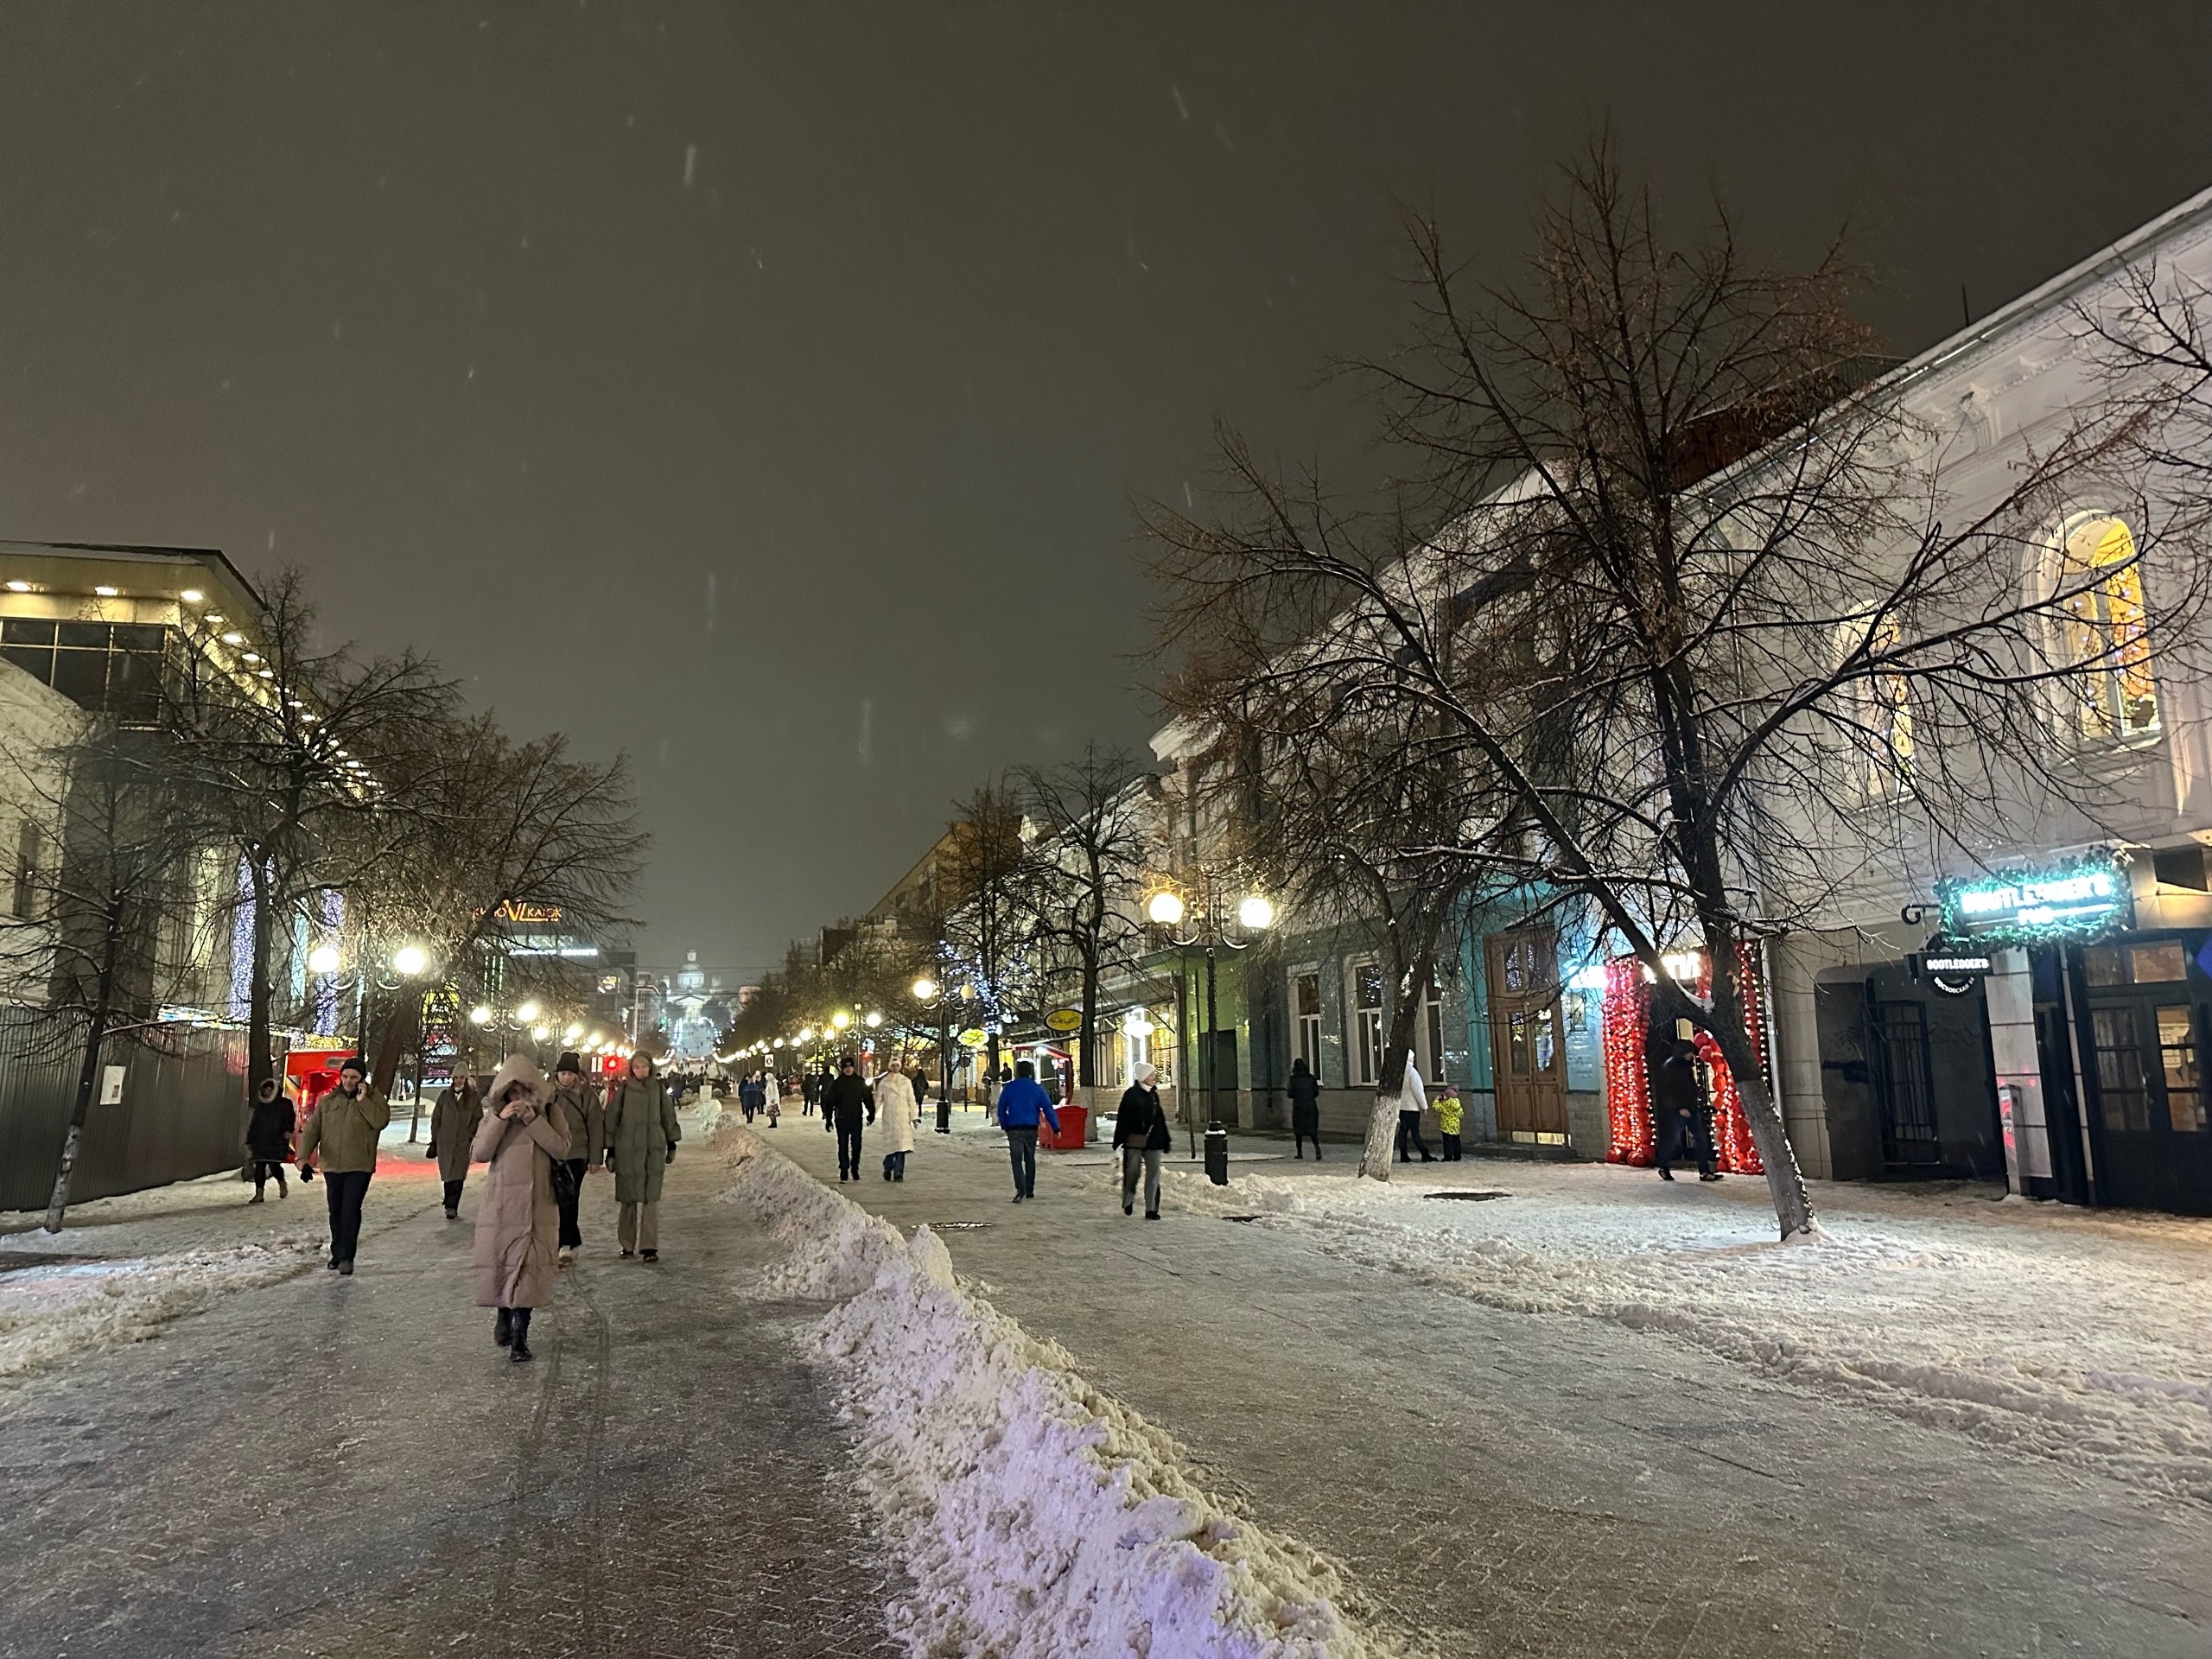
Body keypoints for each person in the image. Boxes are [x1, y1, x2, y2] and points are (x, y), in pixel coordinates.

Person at [470, 1054, 569, 1363]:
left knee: (529, 1267)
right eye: (512, 1093)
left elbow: (562, 1148)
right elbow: (480, 1153)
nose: (518, 1099)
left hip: (539, 1203)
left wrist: (532, 1120)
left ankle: (520, 1336)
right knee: (503, 1262)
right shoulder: (494, 1116)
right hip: (502, 1205)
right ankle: (503, 1313)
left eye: (524, 1092)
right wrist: (501, 1120)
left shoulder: (551, 1112)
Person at [296, 1055, 391, 1275]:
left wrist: (363, 1101)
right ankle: (337, 1253)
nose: (348, 1081)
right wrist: (302, 1159)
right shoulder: (328, 1102)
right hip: (332, 1165)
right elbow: (313, 1130)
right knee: (335, 1211)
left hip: (359, 1165)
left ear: (361, 1079)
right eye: (345, 1076)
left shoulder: (374, 1099)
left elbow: (380, 1122)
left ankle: (347, 1256)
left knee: (350, 1211)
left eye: (354, 1077)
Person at [605, 1052, 682, 1260]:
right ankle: (627, 1244)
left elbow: (668, 1116)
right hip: (627, 1149)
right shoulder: (624, 1090)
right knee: (628, 1199)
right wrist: (610, 1150)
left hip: (652, 1150)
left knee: (651, 1200)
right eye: (637, 1067)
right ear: (631, 1069)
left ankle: (649, 1247)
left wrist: (671, 1143)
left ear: (651, 1068)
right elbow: (612, 1118)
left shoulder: (658, 1089)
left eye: (644, 1066)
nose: (641, 1071)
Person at [547, 1053, 604, 1263]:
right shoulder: (548, 1094)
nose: (565, 1078)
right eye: (562, 1073)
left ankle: (566, 1244)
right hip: (554, 1153)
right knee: (555, 1198)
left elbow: (596, 1126)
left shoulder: (587, 1095)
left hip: (577, 1154)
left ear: (576, 1075)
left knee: (569, 1197)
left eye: (570, 1074)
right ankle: (567, 1238)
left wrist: (596, 1158)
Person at [1651, 1034, 1719, 1182]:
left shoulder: (1685, 1067)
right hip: (1678, 1109)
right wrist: (1679, 1107)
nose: (1691, 1056)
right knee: (1673, 1140)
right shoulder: (1670, 1067)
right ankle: (1663, 1166)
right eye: (1689, 1053)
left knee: (1700, 1139)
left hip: (1690, 1107)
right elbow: (1668, 1091)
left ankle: (1704, 1170)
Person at [995, 1058, 1060, 1203]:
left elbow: (1001, 1109)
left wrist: (1005, 1124)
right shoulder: (1037, 1089)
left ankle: (1020, 1187)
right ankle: (1030, 1189)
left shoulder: (1010, 1088)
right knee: (1030, 1158)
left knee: (1016, 1158)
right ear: (1031, 1072)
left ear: (1017, 1072)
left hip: (1014, 1128)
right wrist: (1056, 1127)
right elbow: (1048, 1109)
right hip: (1031, 1128)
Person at [1113, 1062, 1169, 1219]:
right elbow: (1122, 1119)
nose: (1154, 1078)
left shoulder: (1153, 1095)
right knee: (1132, 1173)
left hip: (1154, 1141)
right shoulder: (1131, 1095)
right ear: (1143, 1077)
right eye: (1151, 1075)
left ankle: (1151, 1209)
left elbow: (1160, 1118)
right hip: (1134, 1141)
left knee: (1154, 1174)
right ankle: (1128, 1199)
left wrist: (1165, 1139)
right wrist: (1119, 1140)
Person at [427, 1072, 482, 1218]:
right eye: (456, 1077)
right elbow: (436, 1117)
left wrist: (470, 1135)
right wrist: (436, 1136)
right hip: (445, 1141)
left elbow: (478, 1118)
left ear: (466, 1079)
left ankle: (452, 1206)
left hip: (463, 1143)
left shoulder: (473, 1098)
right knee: (447, 1175)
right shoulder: (445, 1096)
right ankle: (448, 1200)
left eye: (462, 1077)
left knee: (458, 1176)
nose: (459, 1080)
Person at [823, 1054, 875, 1181]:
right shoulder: (837, 1083)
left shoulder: (859, 1082)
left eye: (850, 1067)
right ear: (842, 1069)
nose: (848, 1069)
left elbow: (867, 1098)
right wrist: (829, 1119)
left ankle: (855, 1167)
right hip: (841, 1118)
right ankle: (844, 1170)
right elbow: (830, 1101)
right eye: (846, 1067)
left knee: (857, 1145)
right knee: (843, 1145)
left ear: (853, 1068)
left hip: (856, 1118)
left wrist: (871, 1113)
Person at [245, 1077, 294, 1202]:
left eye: (269, 1090)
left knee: (274, 1165)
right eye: (265, 1090)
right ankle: (259, 1194)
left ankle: (282, 1184)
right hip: (260, 1140)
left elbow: (289, 1119)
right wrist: (250, 1139)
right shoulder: (261, 1106)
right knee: (259, 1166)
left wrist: (289, 1131)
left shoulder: (284, 1104)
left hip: (276, 1139)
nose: (267, 1092)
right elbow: (254, 1123)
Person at [874, 1061, 918, 1180]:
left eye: (897, 1065)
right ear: (890, 1067)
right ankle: (887, 1168)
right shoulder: (884, 1082)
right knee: (891, 1148)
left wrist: (914, 1117)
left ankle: (899, 1173)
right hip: (890, 1117)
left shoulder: (906, 1082)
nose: (895, 1068)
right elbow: (879, 1099)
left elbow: (911, 1100)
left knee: (901, 1148)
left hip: (903, 1118)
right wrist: (872, 1114)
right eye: (893, 1065)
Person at [1393, 1058, 1435, 1164]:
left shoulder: (1397, 1070)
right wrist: (1424, 1105)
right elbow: (1418, 1090)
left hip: (1401, 1106)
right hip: (1412, 1107)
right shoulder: (1412, 1071)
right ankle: (1424, 1153)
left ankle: (1404, 1155)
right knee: (1415, 1132)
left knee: (1403, 1132)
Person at [1288, 1056, 1322, 1160]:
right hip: (1311, 1106)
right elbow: (1316, 1092)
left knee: (1298, 1131)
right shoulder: (1311, 1078)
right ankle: (1317, 1148)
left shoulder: (1293, 1079)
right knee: (1312, 1130)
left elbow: (1290, 1094)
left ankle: (1300, 1152)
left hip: (1299, 1107)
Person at [1435, 1084, 1465, 1161]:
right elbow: (1461, 1114)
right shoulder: (1458, 1103)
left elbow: (1435, 1106)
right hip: (1455, 1126)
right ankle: (1457, 1156)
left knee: (1447, 1142)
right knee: (1456, 1141)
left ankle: (1448, 1156)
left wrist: (1439, 1098)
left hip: (1446, 1126)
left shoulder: (1445, 1104)